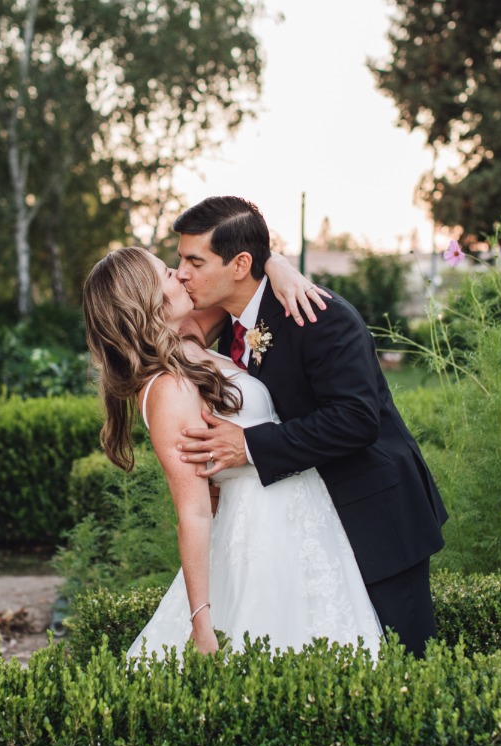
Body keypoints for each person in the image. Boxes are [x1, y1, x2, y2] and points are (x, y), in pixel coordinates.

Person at [172, 196, 448, 658]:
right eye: (180, 260)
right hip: (306, 521)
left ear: (240, 264)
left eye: (193, 261)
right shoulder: (229, 320)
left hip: (374, 515)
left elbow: (357, 419)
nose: (181, 272)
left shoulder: (320, 315)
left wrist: (249, 446)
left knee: (403, 664)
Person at [82, 246, 383, 658]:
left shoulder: (188, 341)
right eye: (169, 273)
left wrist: (276, 265)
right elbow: (193, 511)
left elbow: (241, 279)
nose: (183, 276)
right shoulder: (168, 389)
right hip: (260, 533)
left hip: (305, 520)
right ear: (145, 301)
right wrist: (201, 619)